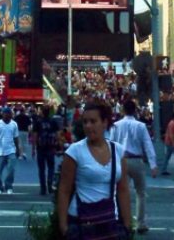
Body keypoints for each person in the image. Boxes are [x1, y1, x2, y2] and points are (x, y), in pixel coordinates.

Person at [55, 100, 133, 239]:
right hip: (81, 221)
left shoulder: (117, 151)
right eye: (85, 122)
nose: (88, 126)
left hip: (109, 220)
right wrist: (64, 228)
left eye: (93, 121)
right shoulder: (75, 151)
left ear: (105, 122)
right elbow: (64, 190)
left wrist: (127, 225)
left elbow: (123, 189)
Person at [109, 98, 157, 235]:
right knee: (140, 193)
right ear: (135, 111)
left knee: (120, 192)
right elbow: (147, 144)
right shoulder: (141, 126)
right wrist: (153, 164)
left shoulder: (116, 126)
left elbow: (111, 144)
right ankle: (140, 223)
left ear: (123, 110)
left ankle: (122, 220)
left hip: (120, 159)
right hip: (137, 160)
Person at [31, 105, 61, 196]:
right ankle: (50, 183)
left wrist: (33, 148)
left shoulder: (38, 122)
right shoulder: (53, 121)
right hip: (50, 147)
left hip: (41, 147)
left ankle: (43, 188)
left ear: (42, 112)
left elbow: (35, 135)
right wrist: (58, 145)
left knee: (41, 169)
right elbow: (57, 134)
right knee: (51, 167)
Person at [0, 106, 20, 195]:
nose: (7, 115)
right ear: (3, 114)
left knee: (11, 170)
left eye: (9, 114)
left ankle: (8, 186)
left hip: (11, 150)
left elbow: (16, 137)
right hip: (0, 151)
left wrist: (17, 148)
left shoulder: (14, 124)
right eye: (6, 114)